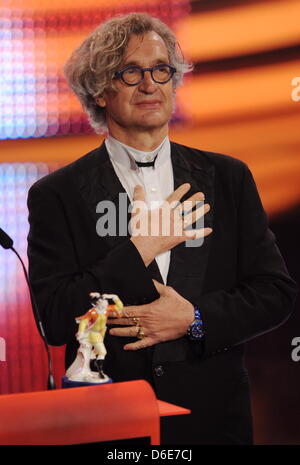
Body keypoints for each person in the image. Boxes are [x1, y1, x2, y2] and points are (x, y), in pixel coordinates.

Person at [27, 12, 297, 444]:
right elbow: (56, 319)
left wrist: (194, 319)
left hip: (212, 423)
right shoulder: (56, 194)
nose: (150, 84)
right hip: (111, 427)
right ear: (99, 90)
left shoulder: (228, 177)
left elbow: (274, 294)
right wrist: (139, 251)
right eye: (131, 72)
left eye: (161, 70)